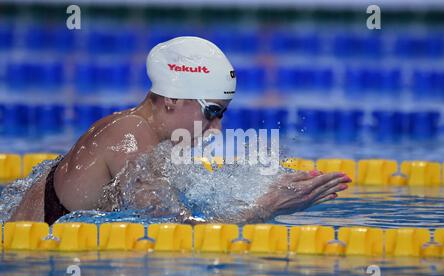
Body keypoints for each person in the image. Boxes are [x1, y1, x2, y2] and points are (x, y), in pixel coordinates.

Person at [10, 36, 351, 225]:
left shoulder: (144, 136)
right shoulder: (130, 137)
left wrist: (258, 189)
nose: (216, 129)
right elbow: (171, 225)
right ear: (172, 98)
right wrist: (263, 209)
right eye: (212, 112)